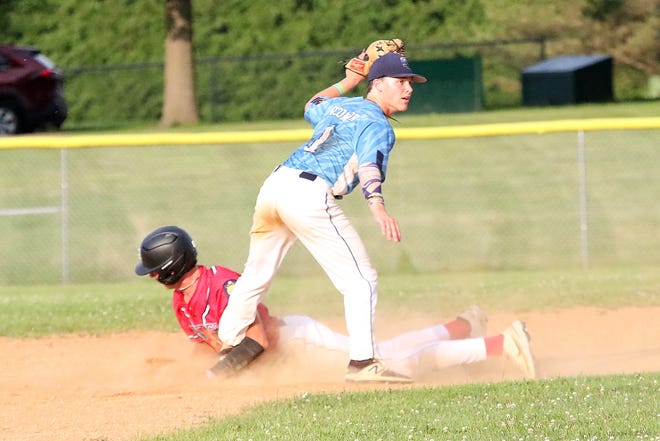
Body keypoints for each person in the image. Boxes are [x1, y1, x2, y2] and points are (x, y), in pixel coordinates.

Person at [215, 49, 432, 383]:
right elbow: (370, 165)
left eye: (410, 82)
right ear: (377, 85)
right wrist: (377, 206)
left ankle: (228, 344)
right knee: (361, 280)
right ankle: (362, 363)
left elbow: (312, 105)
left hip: (275, 184)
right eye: (400, 81)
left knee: (256, 274)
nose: (409, 88)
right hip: (308, 195)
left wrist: (348, 81)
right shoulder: (377, 123)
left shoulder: (344, 106)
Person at [135, 226, 538, 381]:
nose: (151, 275)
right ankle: (462, 326)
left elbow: (261, 337)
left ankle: (503, 345)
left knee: (393, 365)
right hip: (292, 351)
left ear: (169, 268)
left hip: (301, 341)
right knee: (392, 352)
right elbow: (209, 346)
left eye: (153, 269)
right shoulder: (182, 303)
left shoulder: (220, 284)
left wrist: (218, 375)